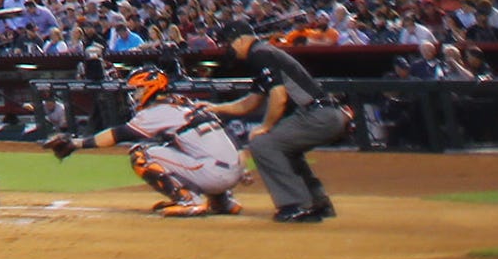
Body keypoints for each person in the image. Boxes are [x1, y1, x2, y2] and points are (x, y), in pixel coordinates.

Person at [49, 65, 248, 217]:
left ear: (151, 88)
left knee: (141, 154)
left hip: (213, 174)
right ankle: (222, 201)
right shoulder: (183, 103)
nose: (134, 95)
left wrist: (76, 143)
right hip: (233, 169)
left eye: (138, 89)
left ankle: (187, 200)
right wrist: (240, 168)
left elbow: (119, 134)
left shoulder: (157, 111)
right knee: (176, 146)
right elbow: (229, 135)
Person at [199, 31, 347, 223]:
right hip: (324, 114)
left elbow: (279, 97)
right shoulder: (264, 53)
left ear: (242, 39)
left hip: (317, 115)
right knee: (283, 147)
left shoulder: (260, 54)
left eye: (229, 43)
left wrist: (265, 126)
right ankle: (317, 202)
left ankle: (296, 206)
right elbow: (251, 102)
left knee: (263, 144)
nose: (228, 49)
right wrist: (216, 107)